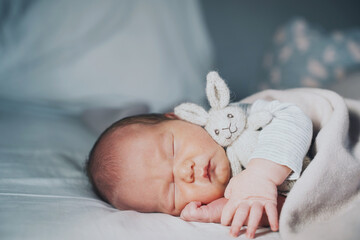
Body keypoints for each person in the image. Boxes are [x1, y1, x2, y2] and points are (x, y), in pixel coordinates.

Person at [86, 100, 312, 239]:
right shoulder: (217, 198)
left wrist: (261, 174)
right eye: (172, 191)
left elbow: (292, 115)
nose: (186, 172)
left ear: (178, 119)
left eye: (172, 150)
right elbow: (295, 208)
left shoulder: (233, 121)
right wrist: (219, 212)